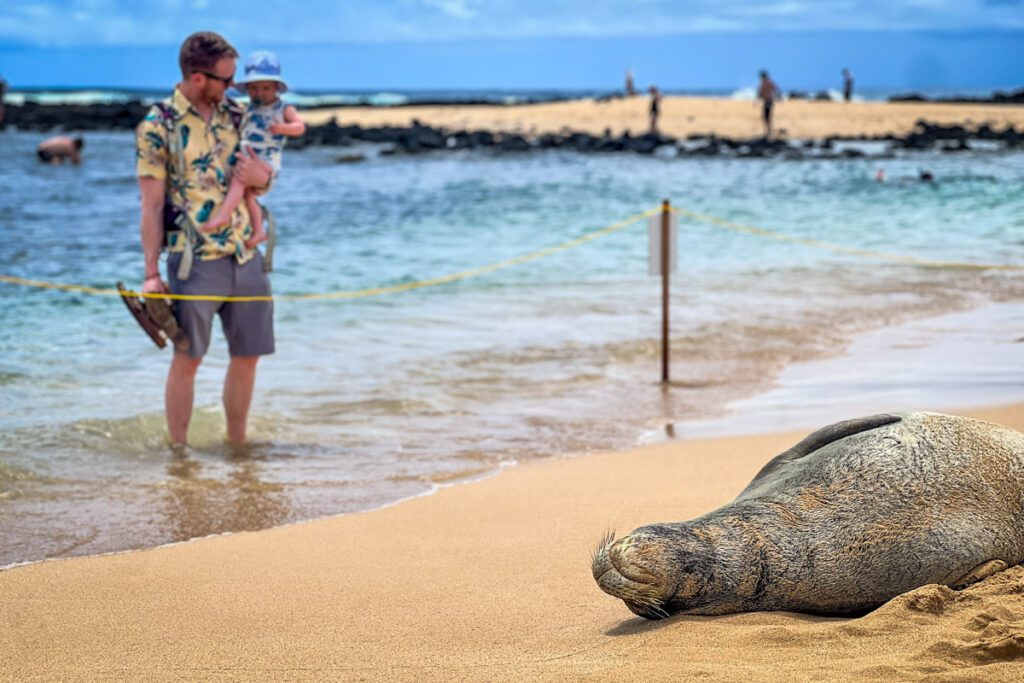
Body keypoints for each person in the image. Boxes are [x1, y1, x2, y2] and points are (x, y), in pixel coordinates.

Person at [136, 31, 275, 446]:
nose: (233, 88)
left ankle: (238, 445)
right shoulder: (156, 125)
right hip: (192, 261)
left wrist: (262, 178)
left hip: (246, 254)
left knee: (248, 356)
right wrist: (149, 273)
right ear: (198, 78)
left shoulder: (237, 115)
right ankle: (178, 453)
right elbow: (149, 206)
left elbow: (263, 174)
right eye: (225, 80)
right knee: (188, 358)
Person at [200, 51, 305, 247]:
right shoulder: (249, 108)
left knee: (239, 182)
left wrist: (282, 128)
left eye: (265, 88)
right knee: (248, 196)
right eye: (254, 88)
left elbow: (300, 127)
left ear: (276, 88)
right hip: (248, 156)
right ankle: (258, 231)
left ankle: (223, 215)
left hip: (267, 161)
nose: (259, 93)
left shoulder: (283, 108)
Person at [757, 70, 780, 137]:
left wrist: (758, 98)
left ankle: (768, 130)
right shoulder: (769, 83)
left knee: (766, 116)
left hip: (767, 101)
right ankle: (768, 130)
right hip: (769, 100)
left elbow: (760, 92)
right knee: (767, 115)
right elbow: (776, 89)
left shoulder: (764, 83)